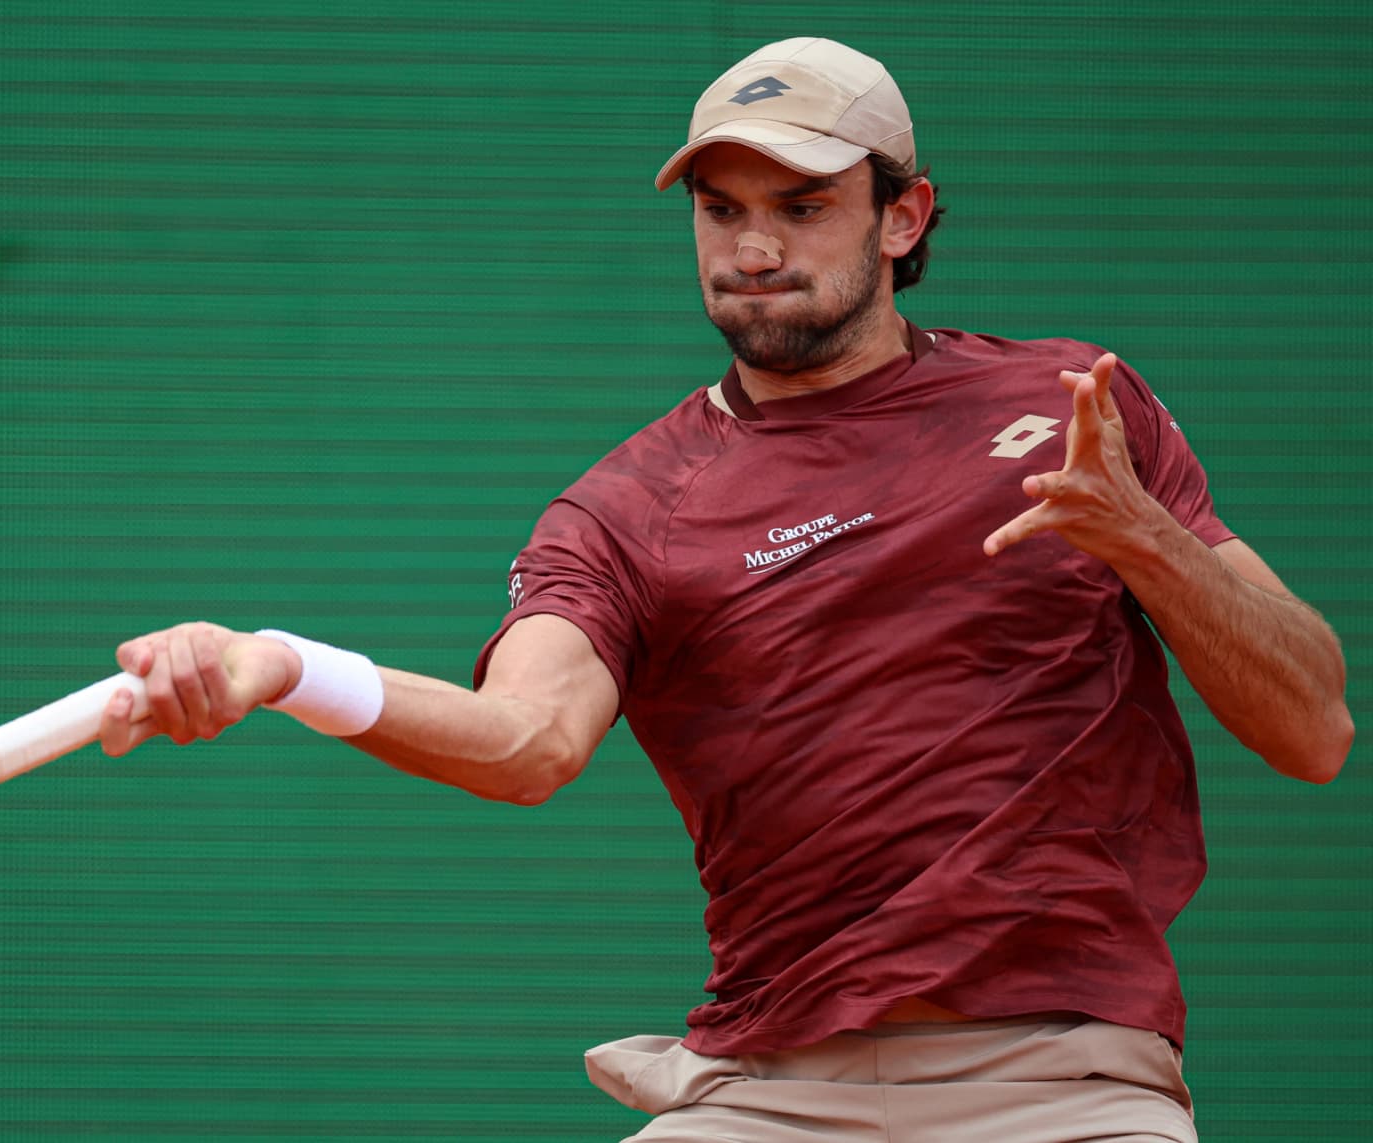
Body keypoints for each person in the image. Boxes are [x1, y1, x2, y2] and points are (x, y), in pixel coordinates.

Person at [95, 36, 1353, 1142]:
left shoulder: (1072, 409)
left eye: (802, 207)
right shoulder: (627, 509)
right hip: (767, 1090)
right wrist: (284, 666)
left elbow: (1314, 730)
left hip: (1067, 1083)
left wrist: (1148, 542)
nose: (752, 248)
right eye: (720, 209)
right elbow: (525, 743)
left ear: (903, 216)